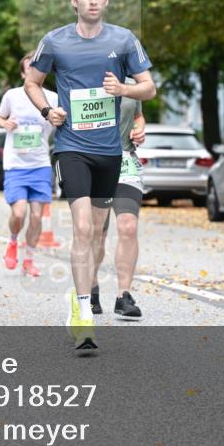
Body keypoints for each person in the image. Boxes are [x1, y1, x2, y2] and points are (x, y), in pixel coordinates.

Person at [24, 0, 155, 350]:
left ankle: (84, 292)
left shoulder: (124, 40)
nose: (93, 1)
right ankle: (82, 312)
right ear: (73, 1)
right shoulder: (55, 41)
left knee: (98, 232)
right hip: (72, 146)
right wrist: (48, 112)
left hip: (110, 150)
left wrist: (123, 90)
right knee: (82, 229)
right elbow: (32, 82)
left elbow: (148, 87)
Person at [0, 52, 59, 277]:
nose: (33, 71)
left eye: (37, 68)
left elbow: (60, 122)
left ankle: (29, 258)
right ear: (23, 73)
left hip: (40, 163)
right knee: (19, 213)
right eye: (29, 68)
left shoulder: (53, 98)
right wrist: (6, 123)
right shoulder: (12, 96)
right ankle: (13, 241)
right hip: (15, 164)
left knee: (37, 216)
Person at [92, 85, 146, 318]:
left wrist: (139, 130)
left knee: (128, 226)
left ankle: (124, 296)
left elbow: (138, 116)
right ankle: (90, 288)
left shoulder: (133, 83)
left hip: (125, 162)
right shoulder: (84, 76)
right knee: (96, 233)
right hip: (94, 162)